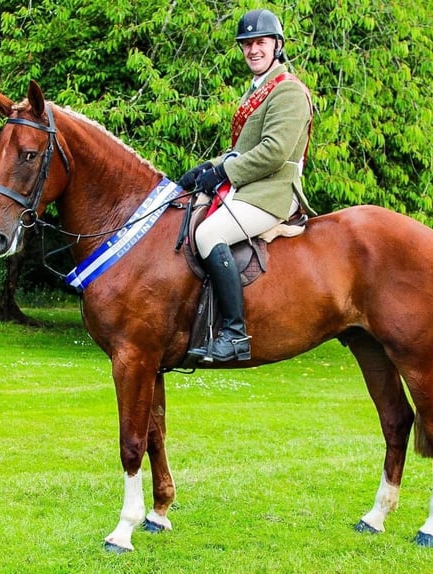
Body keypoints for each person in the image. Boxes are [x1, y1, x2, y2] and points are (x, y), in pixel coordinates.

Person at [178, 8, 315, 362]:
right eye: (247, 44)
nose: (253, 50)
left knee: (209, 235)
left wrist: (224, 174)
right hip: (251, 188)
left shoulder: (288, 92)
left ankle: (235, 334)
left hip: (274, 191)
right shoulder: (257, 90)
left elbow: (273, 152)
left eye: (260, 43)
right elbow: (240, 152)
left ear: (277, 45)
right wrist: (205, 169)